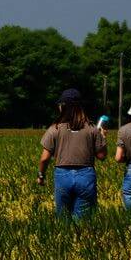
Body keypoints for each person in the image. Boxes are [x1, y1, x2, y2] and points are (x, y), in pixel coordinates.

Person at [37, 89, 106, 220]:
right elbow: (102, 156)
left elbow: (44, 158)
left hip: (62, 175)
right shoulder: (92, 129)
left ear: (63, 107)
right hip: (86, 175)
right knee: (83, 222)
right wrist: (103, 137)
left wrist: (41, 176)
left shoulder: (54, 129)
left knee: (62, 219)